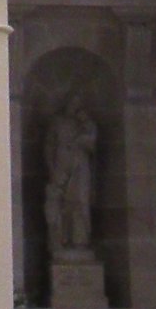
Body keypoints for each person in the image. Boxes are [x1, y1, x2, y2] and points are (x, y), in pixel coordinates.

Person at [43, 97, 98, 256]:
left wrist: (85, 125)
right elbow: (49, 147)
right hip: (61, 165)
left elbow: (92, 142)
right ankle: (61, 241)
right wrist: (52, 169)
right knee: (60, 204)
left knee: (80, 202)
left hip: (80, 167)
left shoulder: (86, 125)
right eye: (73, 103)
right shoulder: (57, 123)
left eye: (79, 104)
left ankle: (81, 241)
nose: (76, 106)